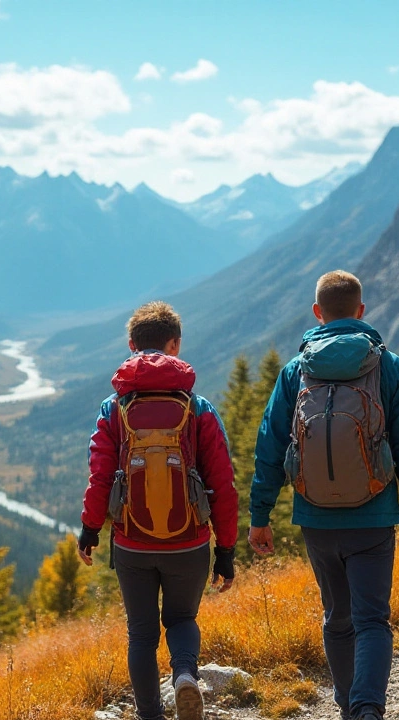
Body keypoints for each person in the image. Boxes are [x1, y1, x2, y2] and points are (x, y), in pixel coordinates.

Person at [250, 270, 399, 720]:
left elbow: (271, 445)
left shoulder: (297, 370)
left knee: (337, 618)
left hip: (316, 518)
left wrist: (260, 516)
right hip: (373, 517)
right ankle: (367, 709)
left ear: (317, 313)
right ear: (361, 312)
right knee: (372, 620)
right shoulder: (387, 366)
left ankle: (347, 709)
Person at [77, 301, 239, 720]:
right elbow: (222, 483)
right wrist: (226, 549)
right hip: (189, 541)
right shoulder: (198, 407)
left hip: (132, 540)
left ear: (131, 345)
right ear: (176, 345)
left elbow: (99, 477)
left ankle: (150, 715)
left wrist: (90, 529)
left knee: (142, 634)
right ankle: (185, 674)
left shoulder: (113, 408)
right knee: (182, 618)